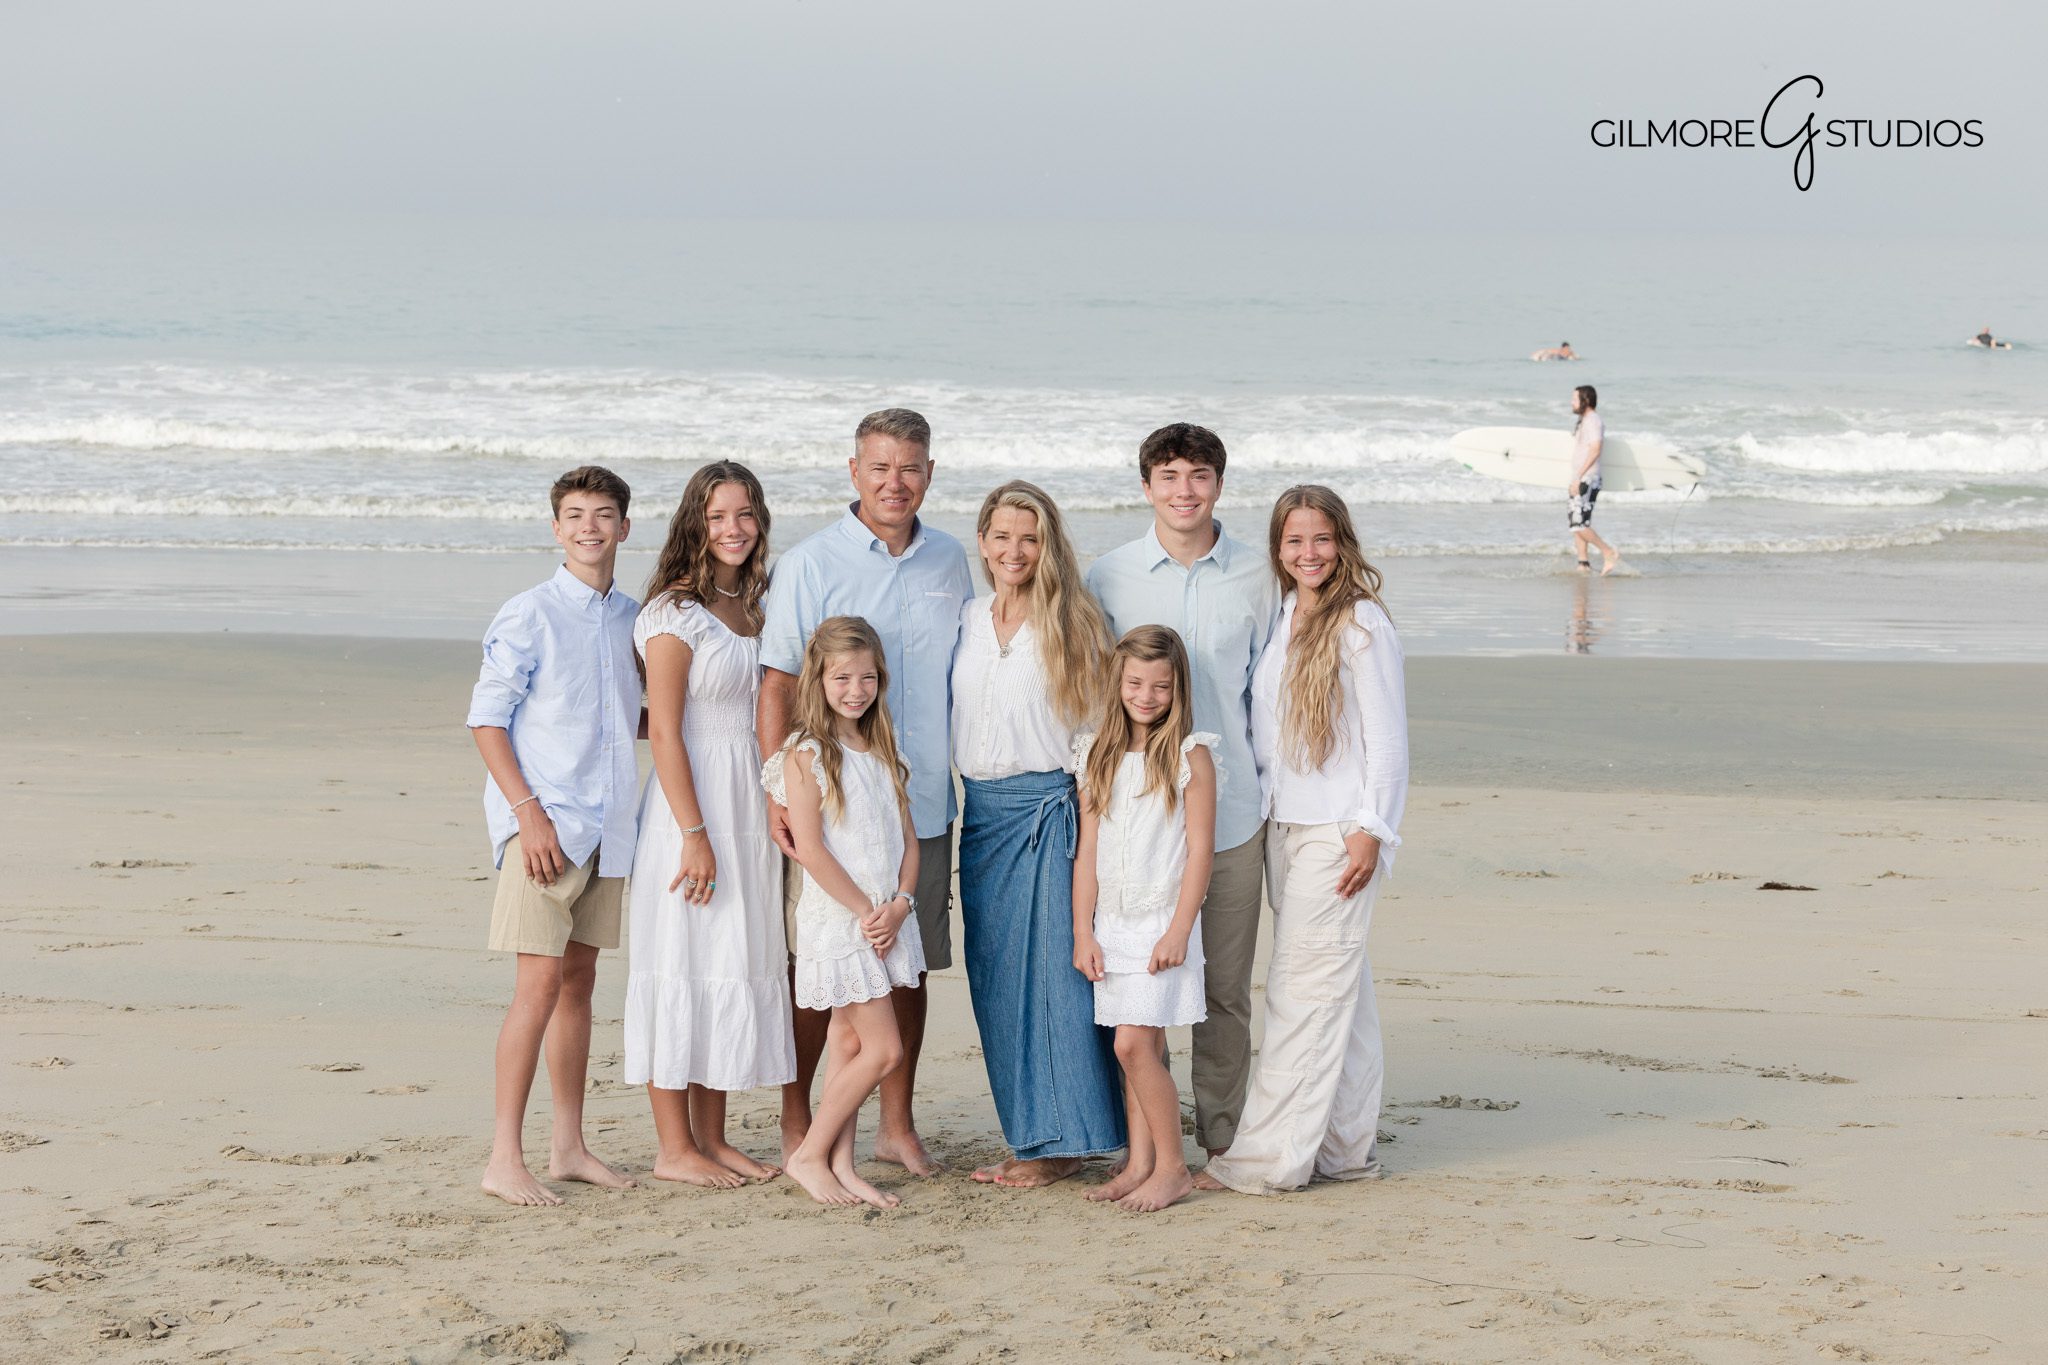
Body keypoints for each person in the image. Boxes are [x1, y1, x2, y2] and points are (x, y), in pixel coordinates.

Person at [757, 409, 974, 1177]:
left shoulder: (952, 559)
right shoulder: (812, 562)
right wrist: (777, 790)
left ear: (929, 472)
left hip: (919, 802)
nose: (895, 481)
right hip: (831, 805)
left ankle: (895, 1123)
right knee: (819, 968)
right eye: (880, 466)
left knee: (907, 965)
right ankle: (798, 1117)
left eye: (910, 466)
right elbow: (779, 681)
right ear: (855, 471)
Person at [1199, 486, 1408, 1196]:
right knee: (1344, 1000)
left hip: (1339, 832)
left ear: (1342, 541)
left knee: (1301, 993)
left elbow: (1387, 738)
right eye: (1294, 542)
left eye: (1321, 540)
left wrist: (1372, 828)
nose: (1308, 553)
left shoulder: (1361, 623)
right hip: (1283, 829)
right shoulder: (1286, 613)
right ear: (1278, 549)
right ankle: (1346, 1148)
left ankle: (1268, 1161)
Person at [1086, 424, 1279, 1162]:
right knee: (1142, 997)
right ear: (1146, 487)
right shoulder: (1109, 576)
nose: (1184, 491)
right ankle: (1155, 1149)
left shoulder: (1260, 577)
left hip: (1229, 822)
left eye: (1199, 475)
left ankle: (1222, 1142)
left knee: (1224, 994)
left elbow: (1272, 697)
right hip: (1138, 830)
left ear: (1219, 485)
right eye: (1169, 476)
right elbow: (1094, 695)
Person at [466, 465, 641, 1206]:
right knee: (535, 986)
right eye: (575, 515)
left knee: (579, 983)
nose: (589, 527)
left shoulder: (636, 617)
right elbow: (486, 719)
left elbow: (633, 720)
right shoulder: (529, 613)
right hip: (544, 827)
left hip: (609, 827)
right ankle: (504, 1155)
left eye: (603, 514)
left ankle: (567, 1145)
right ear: (556, 527)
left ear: (624, 527)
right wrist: (527, 812)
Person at [952, 481, 1125, 1189]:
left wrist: (1086, 839)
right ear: (983, 541)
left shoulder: (1077, 621)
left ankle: (1061, 1144)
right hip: (981, 815)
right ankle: (1033, 1131)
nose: (1014, 550)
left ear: (1047, 543)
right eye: (1001, 536)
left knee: (1055, 981)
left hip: (1051, 813)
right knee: (995, 980)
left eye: (1029, 537)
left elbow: (1094, 741)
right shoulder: (966, 617)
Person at [625, 461, 793, 1188]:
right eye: (719, 514)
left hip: (747, 803)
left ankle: (712, 1136)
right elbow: (663, 731)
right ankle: (673, 1148)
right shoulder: (674, 611)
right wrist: (693, 831)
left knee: (724, 959)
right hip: (689, 803)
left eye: (746, 514)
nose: (734, 528)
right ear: (696, 520)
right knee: (680, 961)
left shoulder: (753, 605)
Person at [762, 617, 925, 1209]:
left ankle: (841, 1165)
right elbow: (810, 848)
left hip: (886, 918)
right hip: (843, 920)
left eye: (867, 677)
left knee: (850, 1044)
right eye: (842, 678)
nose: (855, 690)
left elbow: (908, 838)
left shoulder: (882, 748)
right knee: (884, 1050)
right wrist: (864, 912)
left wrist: (901, 903)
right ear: (819, 680)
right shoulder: (805, 754)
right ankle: (809, 1152)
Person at [1072, 626, 1216, 1212]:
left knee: (1133, 1045)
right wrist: (1084, 930)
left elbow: (1200, 850)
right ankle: (1140, 1163)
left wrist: (1180, 928)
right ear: (1118, 682)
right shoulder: (1095, 753)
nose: (1147, 695)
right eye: (1135, 682)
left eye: (1160, 685)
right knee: (1138, 1046)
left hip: (1162, 920)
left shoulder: (1190, 755)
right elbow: (1089, 851)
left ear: (1177, 687)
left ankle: (1174, 1167)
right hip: (1115, 923)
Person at [1567, 385, 1622, 575]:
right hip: (1581, 478)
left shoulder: (1593, 421)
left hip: (1587, 479)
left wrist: (1579, 477)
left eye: (1574, 399)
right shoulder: (1585, 421)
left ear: (1586, 400)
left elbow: (1595, 449)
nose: (1571, 402)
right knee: (1577, 523)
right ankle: (1583, 563)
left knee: (1579, 523)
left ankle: (1608, 552)